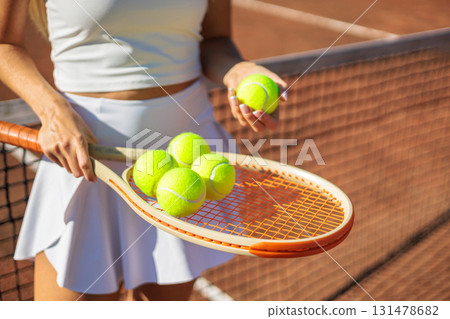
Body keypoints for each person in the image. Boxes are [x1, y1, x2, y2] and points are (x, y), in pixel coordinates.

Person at [0, 0, 287, 301]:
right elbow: (4, 44)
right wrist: (52, 109)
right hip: (87, 158)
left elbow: (215, 39)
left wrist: (237, 69)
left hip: (184, 161)